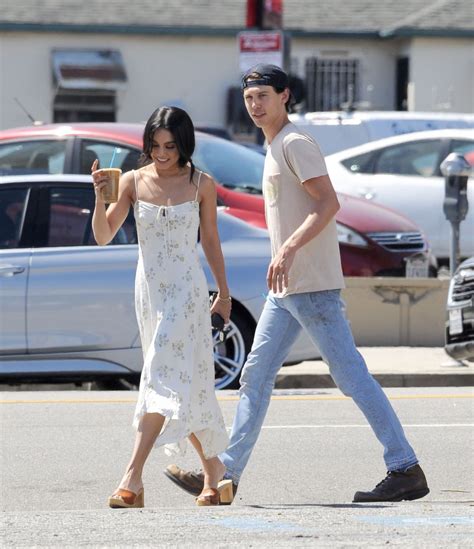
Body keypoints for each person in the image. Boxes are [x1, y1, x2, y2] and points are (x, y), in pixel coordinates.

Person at [164, 65, 429, 503]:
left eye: (264, 96)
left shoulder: (295, 143)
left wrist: (286, 249)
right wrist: (283, 257)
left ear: (285, 96)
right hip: (286, 290)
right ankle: (226, 475)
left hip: (312, 285)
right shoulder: (273, 145)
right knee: (255, 377)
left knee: (351, 378)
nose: (255, 105)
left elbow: (328, 204)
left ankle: (404, 467)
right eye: (250, 98)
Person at [92, 106, 234, 508]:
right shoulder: (134, 182)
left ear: (184, 144)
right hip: (150, 293)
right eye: (154, 145)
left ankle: (131, 479)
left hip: (187, 295)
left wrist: (223, 293)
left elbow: (211, 242)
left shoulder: (201, 184)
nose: (161, 153)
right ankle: (216, 473)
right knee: (181, 385)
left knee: (159, 378)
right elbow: (104, 236)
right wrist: (98, 196)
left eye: (170, 146)